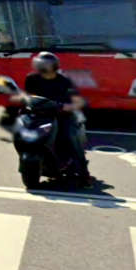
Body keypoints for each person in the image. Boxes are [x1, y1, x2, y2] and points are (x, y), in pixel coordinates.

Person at [13, 51, 91, 182]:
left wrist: (68, 106)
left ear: (54, 66)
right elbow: (28, 96)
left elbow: (73, 99)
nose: (44, 68)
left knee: (70, 136)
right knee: (20, 131)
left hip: (60, 115)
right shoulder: (32, 78)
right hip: (38, 114)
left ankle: (83, 173)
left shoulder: (64, 81)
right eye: (41, 65)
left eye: (46, 65)